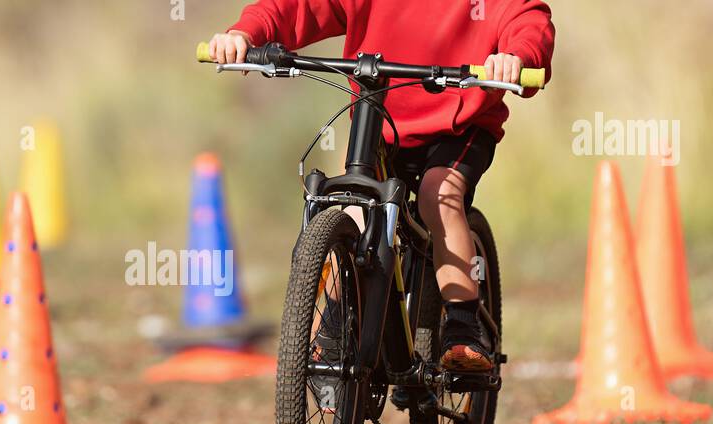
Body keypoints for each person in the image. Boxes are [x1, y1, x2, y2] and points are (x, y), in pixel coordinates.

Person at [209, 0, 555, 372]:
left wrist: (516, 56)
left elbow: (528, 21)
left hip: (460, 122)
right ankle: (337, 322)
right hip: (380, 114)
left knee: (439, 196)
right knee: (357, 208)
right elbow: (299, 7)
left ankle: (463, 325)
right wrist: (247, 33)